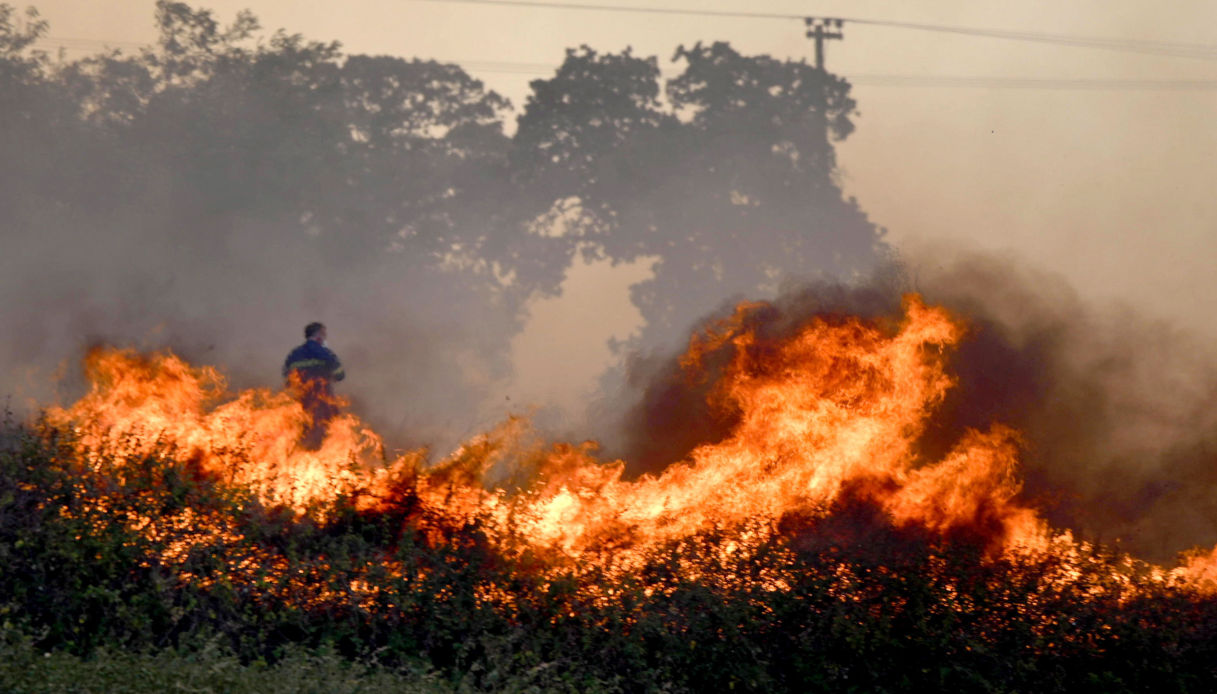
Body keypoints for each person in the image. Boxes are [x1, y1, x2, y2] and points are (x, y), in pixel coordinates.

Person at [283, 322, 345, 448]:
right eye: (324, 334)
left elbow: (287, 379)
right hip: (323, 399)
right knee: (326, 430)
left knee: (303, 431)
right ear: (319, 335)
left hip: (301, 401)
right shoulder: (325, 353)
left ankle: (302, 458)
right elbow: (340, 374)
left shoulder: (294, 355)